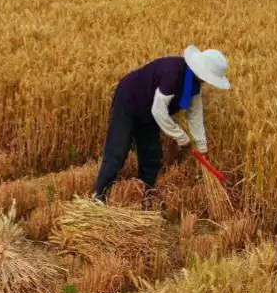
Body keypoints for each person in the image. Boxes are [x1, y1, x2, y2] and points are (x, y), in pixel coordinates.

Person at [92, 45, 230, 203]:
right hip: (129, 100)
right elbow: (158, 110)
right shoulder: (174, 73)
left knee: (152, 157)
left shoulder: (195, 86)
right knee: (118, 151)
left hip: (149, 111)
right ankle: (98, 195)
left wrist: (202, 146)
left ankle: (147, 197)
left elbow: (195, 116)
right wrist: (180, 137)